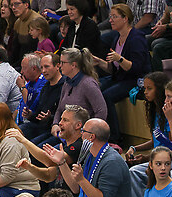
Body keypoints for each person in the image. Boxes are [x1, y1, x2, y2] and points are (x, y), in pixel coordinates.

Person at [92, 4, 150, 140]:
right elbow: (113, 69)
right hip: (120, 77)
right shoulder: (116, 38)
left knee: (106, 96)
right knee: (93, 88)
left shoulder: (136, 38)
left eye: (114, 16)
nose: (110, 20)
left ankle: (115, 137)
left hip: (135, 80)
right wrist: (100, 62)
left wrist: (120, 59)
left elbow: (136, 68)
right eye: (110, 16)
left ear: (125, 18)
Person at [52, 48, 108, 131]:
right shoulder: (67, 82)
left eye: (63, 62)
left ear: (73, 65)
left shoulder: (88, 84)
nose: (60, 65)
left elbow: (101, 111)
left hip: (81, 133)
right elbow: (60, 109)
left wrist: (88, 132)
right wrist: (55, 124)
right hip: (66, 131)